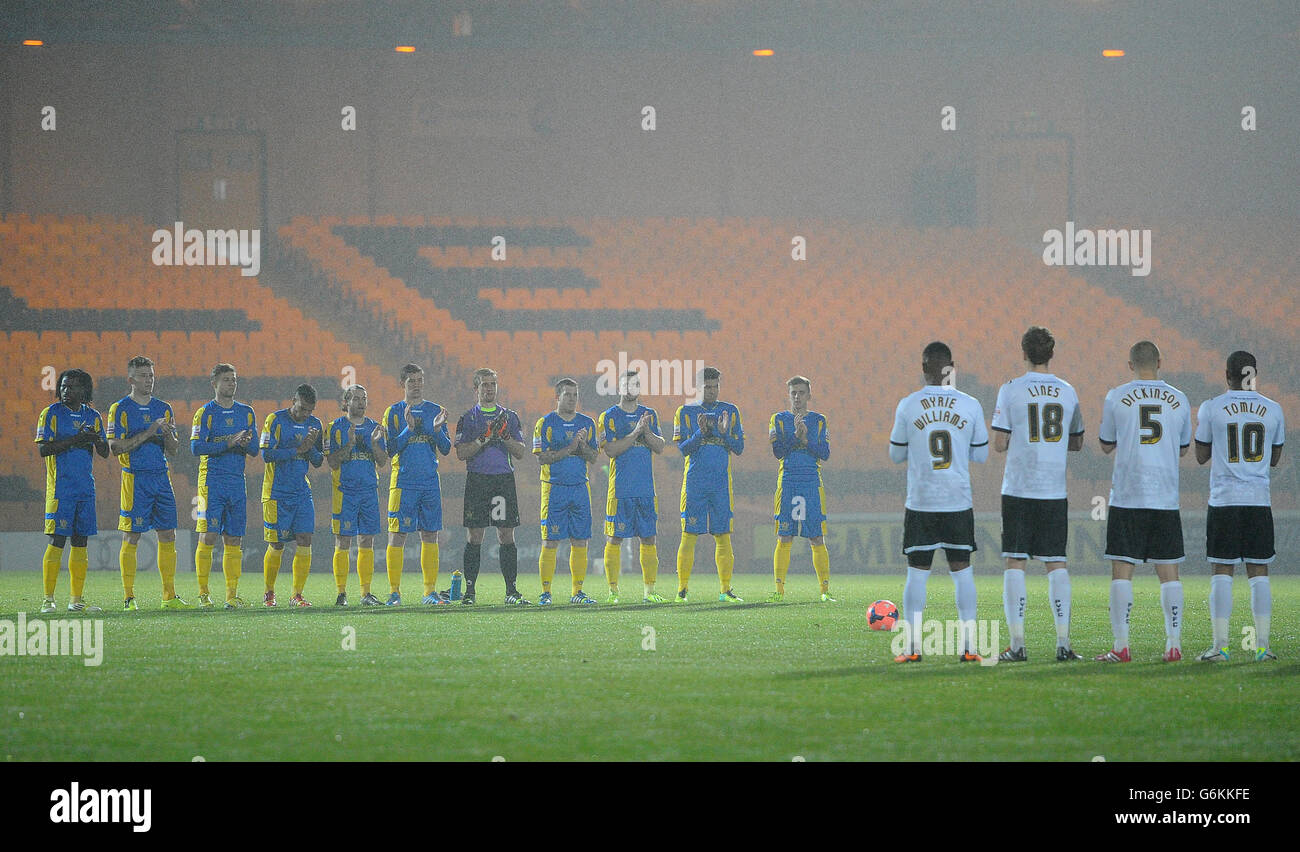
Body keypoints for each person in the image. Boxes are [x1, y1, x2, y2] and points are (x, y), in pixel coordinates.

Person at [888, 343, 989, 662]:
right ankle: (970, 648)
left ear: (923, 368)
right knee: (963, 573)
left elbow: (895, 454)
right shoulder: (970, 404)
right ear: (951, 367)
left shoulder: (908, 405)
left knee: (917, 574)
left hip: (921, 502)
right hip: (957, 501)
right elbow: (982, 453)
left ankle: (912, 648)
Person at [990, 327, 1085, 661]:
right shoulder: (1068, 391)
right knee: (1056, 562)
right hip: (1053, 490)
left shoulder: (1011, 389)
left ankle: (1017, 645)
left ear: (1023, 352)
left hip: (1019, 488)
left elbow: (999, 444)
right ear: (1052, 354)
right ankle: (1064, 644)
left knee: (1015, 561)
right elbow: (1076, 442)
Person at [1096, 341, 1192, 663]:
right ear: (1160, 362)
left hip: (1128, 495)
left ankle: (1121, 646)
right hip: (1164, 496)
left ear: (1130, 364)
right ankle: (1174, 645)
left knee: (1122, 572)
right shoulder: (1179, 398)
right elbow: (1182, 448)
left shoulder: (1116, 396)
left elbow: (1107, 444)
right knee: (1169, 574)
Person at [1194, 351, 1285, 662]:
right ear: (1254, 374)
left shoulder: (1211, 408)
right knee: (1259, 572)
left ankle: (1220, 647)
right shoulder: (1273, 410)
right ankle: (1262, 647)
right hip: (1258, 501)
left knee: (1222, 570)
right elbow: (1274, 459)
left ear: (1227, 375)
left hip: (1225, 501)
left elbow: (1201, 455)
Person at [108, 356, 188, 610]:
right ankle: (129, 597)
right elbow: (115, 448)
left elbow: (174, 450)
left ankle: (169, 596)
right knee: (132, 535)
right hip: (135, 478)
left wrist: (168, 437)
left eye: (151, 375)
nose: (148, 380)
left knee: (168, 534)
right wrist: (150, 432)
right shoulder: (119, 408)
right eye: (143, 375)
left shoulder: (164, 408)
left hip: (161, 478)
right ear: (131, 379)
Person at [35, 369, 109, 613]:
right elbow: (44, 450)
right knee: (57, 540)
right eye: (64, 386)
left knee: (80, 542)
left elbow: (105, 452)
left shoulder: (94, 416)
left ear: (84, 391)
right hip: (60, 489)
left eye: (73, 387)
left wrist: (97, 440)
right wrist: (77, 439)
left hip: (85, 489)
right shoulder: (51, 414)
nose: (67, 391)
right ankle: (48, 600)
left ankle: (76, 600)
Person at [455, 368, 530, 605]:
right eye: (485, 385)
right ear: (476, 389)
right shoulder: (468, 418)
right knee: (475, 535)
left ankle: (511, 591)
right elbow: (461, 453)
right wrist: (483, 438)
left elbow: (520, 452)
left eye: (493, 384)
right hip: (477, 480)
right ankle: (470, 592)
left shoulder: (510, 417)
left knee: (506, 534)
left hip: (502, 480)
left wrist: (505, 436)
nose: (489, 389)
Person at [190, 363, 259, 609]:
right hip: (211, 482)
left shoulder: (247, 412)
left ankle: (231, 595)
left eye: (234, 379)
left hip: (236, 483)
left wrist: (245, 443)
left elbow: (254, 451)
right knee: (208, 535)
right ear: (215, 384)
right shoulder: (205, 413)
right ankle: (203, 593)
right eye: (227, 379)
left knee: (234, 539)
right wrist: (229, 443)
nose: (232, 383)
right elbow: (196, 448)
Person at [673, 366, 745, 603]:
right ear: (697, 388)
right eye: (707, 387)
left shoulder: (730, 411)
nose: (712, 391)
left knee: (723, 536)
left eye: (716, 386)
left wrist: (723, 434)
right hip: (694, 483)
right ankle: (682, 590)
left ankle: (725, 590)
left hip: (721, 485)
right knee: (689, 535)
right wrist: (700, 434)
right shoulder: (684, 412)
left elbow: (739, 448)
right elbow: (683, 449)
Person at [382, 363, 451, 606]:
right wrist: (408, 430)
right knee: (397, 535)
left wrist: (436, 430)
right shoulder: (393, 412)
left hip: (430, 483)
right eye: (412, 381)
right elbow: (389, 450)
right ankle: (394, 592)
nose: (417, 385)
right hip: (403, 483)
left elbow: (445, 448)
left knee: (430, 535)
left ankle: (429, 592)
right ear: (402, 384)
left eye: (420, 380)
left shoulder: (435, 410)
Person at [597, 370, 667, 603]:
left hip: (646, 489)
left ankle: (650, 592)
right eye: (627, 384)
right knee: (614, 538)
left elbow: (659, 446)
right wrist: (636, 432)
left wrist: (645, 431)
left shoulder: (650, 415)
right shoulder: (609, 416)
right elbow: (611, 450)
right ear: (619, 388)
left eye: (635, 383)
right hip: (620, 490)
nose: (631, 387)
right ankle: (613, 592)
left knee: (649, 539)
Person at [533, 377, 600, 605]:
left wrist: (581, 446)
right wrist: (570, 447)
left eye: (575, 395)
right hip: (554, 490)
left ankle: (577, 593)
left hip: (580, 488)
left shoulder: (587, 423)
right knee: (550, 541)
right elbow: (542, 458)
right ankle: (546, 592)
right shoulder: (545, 423)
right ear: (557, 397)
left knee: (580, 540)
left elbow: (594, 457)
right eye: (567, 395)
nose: (572, 399)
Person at [768, 376, 834, 602]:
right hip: (787, 482)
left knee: (816, 537)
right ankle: (778, 591)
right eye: (793, 393)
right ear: (789, 395)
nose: (797, 397)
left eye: (801, 392)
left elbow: (824, 454)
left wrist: (805, 441)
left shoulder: (819, 420)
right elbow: (778, 452)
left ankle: (825, 592)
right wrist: (796, 437)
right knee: (784, 536)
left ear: (809, 395)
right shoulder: (778, 419)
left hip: (811, 485)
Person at [260, 384, 325, 607]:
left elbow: (317, 461)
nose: (305, 414)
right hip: (276, 492)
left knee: (305, 540)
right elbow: (266, 454)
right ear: (293, 401)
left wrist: (310, 448)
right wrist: (298, 448)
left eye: (310, 411)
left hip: (301, 492)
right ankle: (269, 592)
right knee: (277, 544)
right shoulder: (275, 420)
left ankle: (297, 595)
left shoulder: (315, 425)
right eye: (302, 408)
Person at [326, 384, 389, 606]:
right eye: (355, 398)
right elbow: (332, 462)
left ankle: (365, 593)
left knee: (367, 541)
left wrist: (373, 443)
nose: (361, 402)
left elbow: (382, 461)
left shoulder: (375, 428)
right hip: (345, 492)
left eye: (364, 398)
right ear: (345, 403)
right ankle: (341, 593)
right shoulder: (335, 427)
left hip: (369, 492)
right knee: (343, 541)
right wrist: (350, 445)